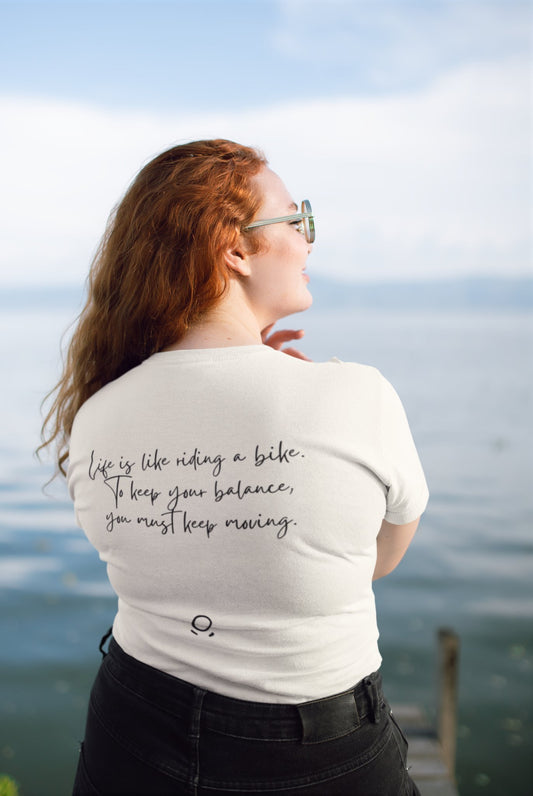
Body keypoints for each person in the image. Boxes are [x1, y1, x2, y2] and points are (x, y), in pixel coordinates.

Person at [41, 138, 429, 795]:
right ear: (235, 247)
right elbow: (371, 559)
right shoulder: (355, 396)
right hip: (315, 751)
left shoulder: (96, 414)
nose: (308, 240)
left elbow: (168, 560)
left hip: (132, 729)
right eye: (294, 218)